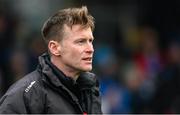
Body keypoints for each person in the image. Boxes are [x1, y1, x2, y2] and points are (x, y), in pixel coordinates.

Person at [0, 6, 102, 114]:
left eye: (90, 41)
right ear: (54, 48)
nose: (90, 49)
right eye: (81, 41)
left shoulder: (90, 90)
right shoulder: (25, 95)